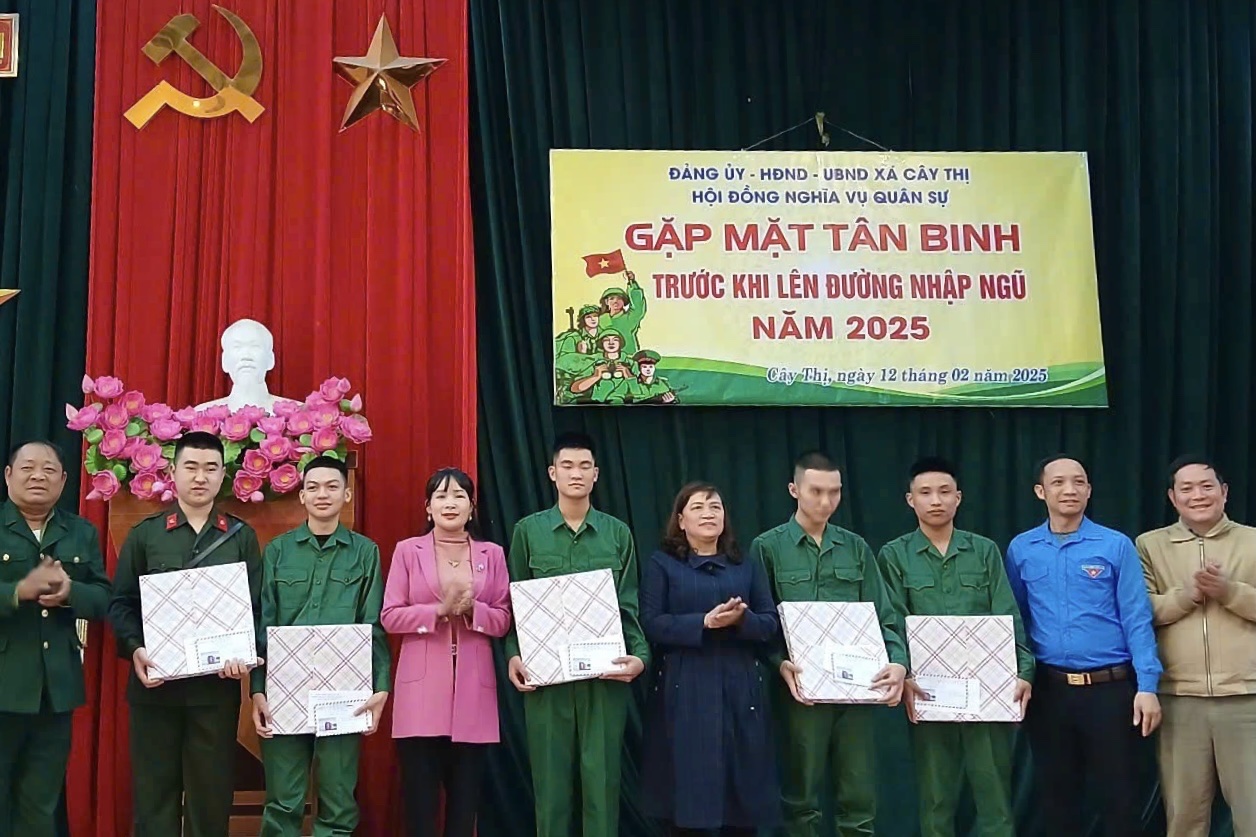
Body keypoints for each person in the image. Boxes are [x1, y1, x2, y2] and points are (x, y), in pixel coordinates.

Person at [108, 431, 263, 837]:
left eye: (211, 468)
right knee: (154, 799)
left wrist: (244, 654)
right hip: (155, 689)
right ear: (173, 472)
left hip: (215, 691)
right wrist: (135, 649)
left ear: (223, 476)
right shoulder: (146, 535)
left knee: (210, 800)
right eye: (190, 467)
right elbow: (121, 604)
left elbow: (256, 609)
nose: (200, 477)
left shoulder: (240, 536)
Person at [751, 451, 908, 837]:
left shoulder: (856, 547)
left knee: (859, 797)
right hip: (799, 690)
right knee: (799, 797)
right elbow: (759, 622)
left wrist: (898, 663)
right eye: (816, 491)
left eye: (834, 492)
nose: (826, 501)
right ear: (794, 490)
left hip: (857, 690)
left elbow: (884, 614)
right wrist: (778, 662)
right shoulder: (768, 547)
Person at [1004, 455, 1162, 837]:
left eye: (1079, 482)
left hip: (1110, 690)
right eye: (1058, 482)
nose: (1069, 490)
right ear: (1040, 491)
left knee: (1120, 798)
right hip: (1050, 691)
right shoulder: (1022, 548)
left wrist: (1147, 686)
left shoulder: (1115, 545)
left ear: (1089, 490)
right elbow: (1016, 620)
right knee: (1057, 799)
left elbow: (1136, 617)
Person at [877, 457, 1034, 837]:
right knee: (935, 797)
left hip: (987, 687)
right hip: (927, 689)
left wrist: (1024, 671)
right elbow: (892, 620)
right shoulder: (894, 555)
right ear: (910, 500)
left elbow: (1007, 613)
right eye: (925, 492)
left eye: (945, 492)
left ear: (958, 498)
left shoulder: (983, 550)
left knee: (994, 794)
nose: (936, 500)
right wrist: (904, 674)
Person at [504, 431, 648, 837]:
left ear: (596, 474)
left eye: (585, 466)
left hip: (605, 678)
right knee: (550, 789)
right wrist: (513, 654)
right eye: (567, 465)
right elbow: (514, 603)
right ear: (552, 473)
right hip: (546, 679)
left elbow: (629, 604)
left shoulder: (617, 533)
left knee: (602, 785)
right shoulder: (528, 532)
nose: (576, 473)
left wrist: (640, 658)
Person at [249, 455, 390, 836]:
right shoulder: (278, 551)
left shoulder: (365, 552)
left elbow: (373, 624)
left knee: (338, 800)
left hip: (345, 690)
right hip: (284, 688)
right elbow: (264, 623)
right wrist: (258, 689)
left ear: (347, 494)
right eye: (312, 487)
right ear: (302, 496)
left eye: (331, 487)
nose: (322, 494)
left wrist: (380, 688)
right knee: (283, 800)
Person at [640, 482, 781, 837]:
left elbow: (770, 623)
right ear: (681, 520)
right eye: (698, 507)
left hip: (739, 686)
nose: (708, 514)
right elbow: (652, 623)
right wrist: (703, 622)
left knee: (742, 794)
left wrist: (742, 619)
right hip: (685, 684)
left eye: (715, 507)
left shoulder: (745, 566)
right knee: (688, 794)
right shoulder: (662, 564)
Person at [382, 467, 511, 837]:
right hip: (420, 696)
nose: (450, 503)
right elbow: (390, 616)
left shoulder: (492, 554)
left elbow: (503, 619)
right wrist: (437, 611)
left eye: (459, 496)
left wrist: (473, 610)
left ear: (472, 507)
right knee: (421, 810)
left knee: (463, 811)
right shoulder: (408, 551)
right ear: (428, 507)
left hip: (473, 695)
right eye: (441, 496)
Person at [1136, 456, 1256, 837]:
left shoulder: (1252, 540)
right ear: (1173, 498)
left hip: (1246, 697)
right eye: (1186, 488)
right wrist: (1186, 595)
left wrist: (1228, 591)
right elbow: (1140, 611)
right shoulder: (1149, 545)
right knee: (1184, 816)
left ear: (1224, 492)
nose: (1198, 495)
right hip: (1179, 698)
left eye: (1207, 486)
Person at [0, 440, 112, 837]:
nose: (38, 476)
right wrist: (18, 591)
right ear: (8, 475)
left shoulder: (80, 531)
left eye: (49, 470)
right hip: (4, 684)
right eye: (28, 468)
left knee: (40, 804)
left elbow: (104, 598)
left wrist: (70, 593)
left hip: (55, 690)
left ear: (64, 481)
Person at [195, 318, 300, 414]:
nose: (246, 356)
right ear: (224, 361)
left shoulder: (298, 413)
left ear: (270, 359)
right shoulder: (201, 415)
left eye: (255, 347)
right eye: (237, 347)